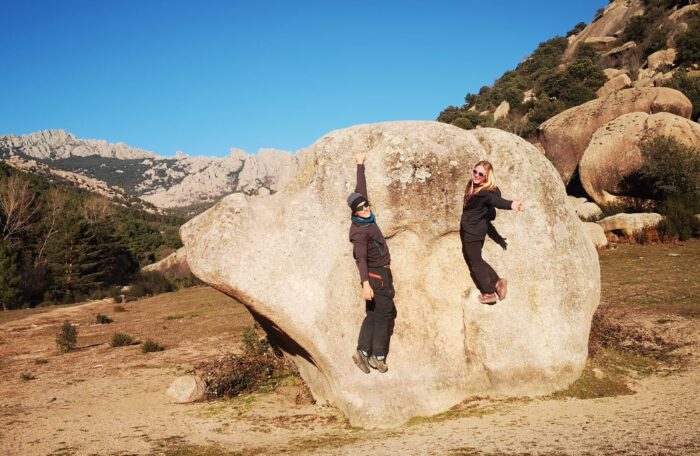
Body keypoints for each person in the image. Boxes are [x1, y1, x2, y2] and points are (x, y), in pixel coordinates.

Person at [347, 152, 395, 374]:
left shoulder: (365, 218)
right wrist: (365, 284)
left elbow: (360, 191)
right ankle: (377, 356)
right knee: (385, 314)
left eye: (367, 205)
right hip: (376, 276)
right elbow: (361, 258)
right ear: (354, 213)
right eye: (361, 208)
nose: (366, 209)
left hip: (379, 275)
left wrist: (360, 164)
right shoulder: (359, 231)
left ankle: (362, 352)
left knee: (373, 314)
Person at [460, 160, 522, 304]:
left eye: (481, 174)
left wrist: (511, 204)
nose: (476, 175)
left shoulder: (485, 193)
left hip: (473, 232)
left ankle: (489, 292)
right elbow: (495, 193)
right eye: (475, 171)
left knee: (475, 263)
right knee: (477, 259)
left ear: (486, 177)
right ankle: (498, 282)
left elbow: (496, 200)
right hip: (475, 228)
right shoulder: (473, 185)